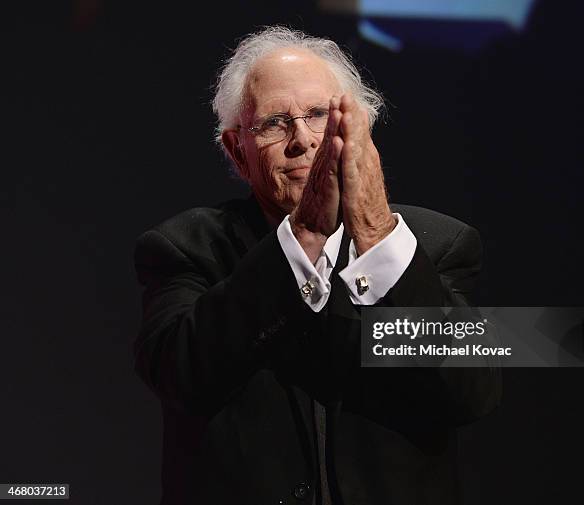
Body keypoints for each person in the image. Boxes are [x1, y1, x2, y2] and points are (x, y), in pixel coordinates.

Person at [133, 25, 501, 505]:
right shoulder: (185, 248)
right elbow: (179, 377)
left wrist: (375, 235)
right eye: (274, 123)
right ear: (235, 151)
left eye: (318, 115)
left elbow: (473, 392)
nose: (303, 140)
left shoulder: (439, 245)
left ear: (360, 131)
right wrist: (304, 236)